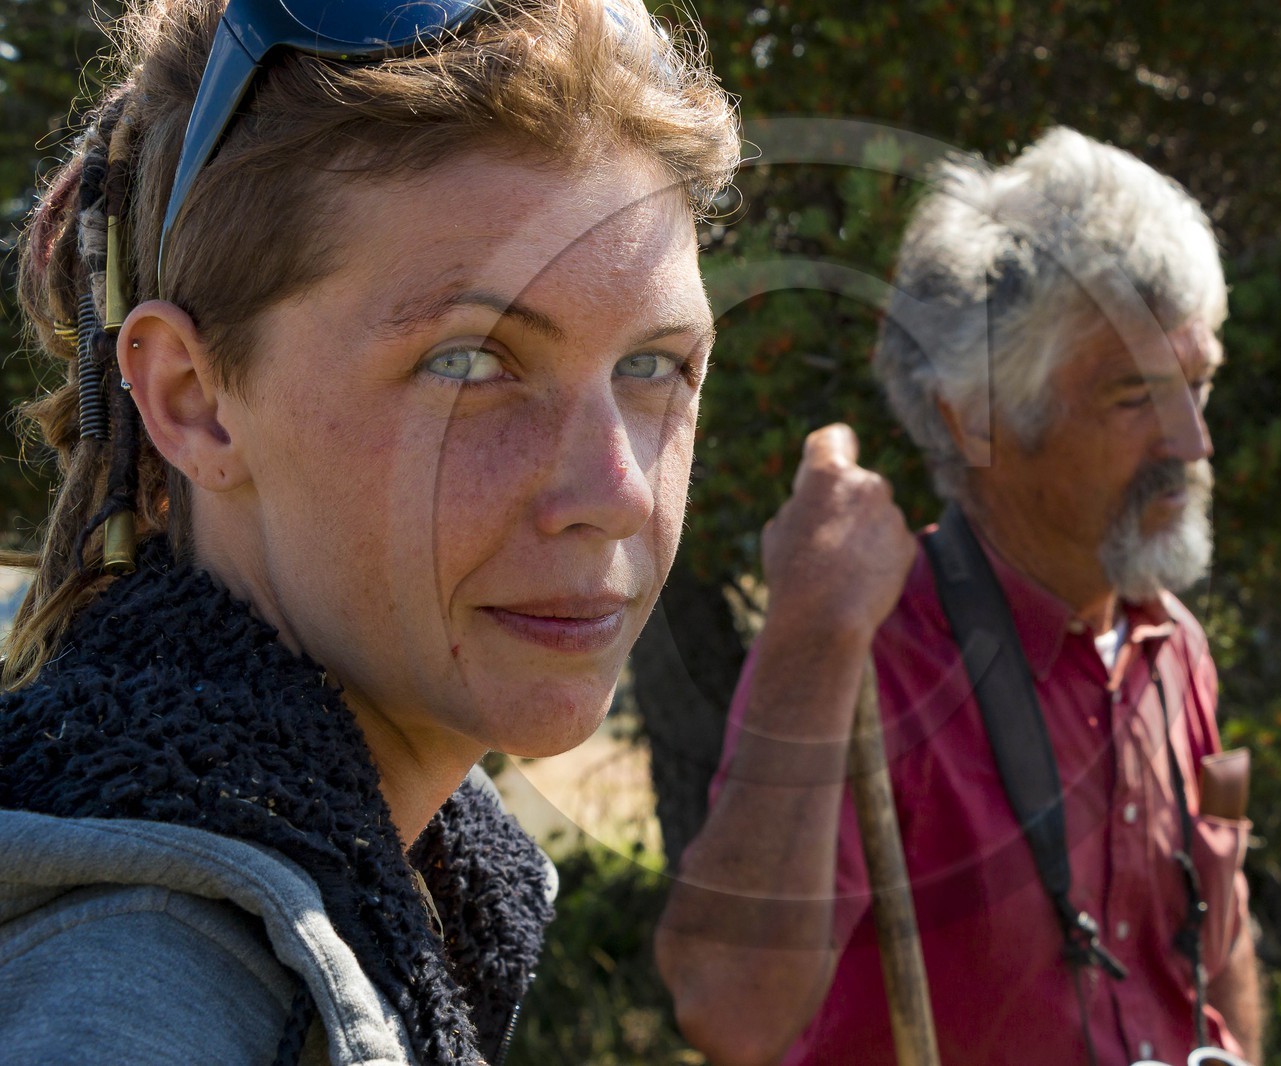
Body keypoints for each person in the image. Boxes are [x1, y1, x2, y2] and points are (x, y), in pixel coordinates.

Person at [0, 0, 738, 1062]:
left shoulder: (384, 896)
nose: (614, 490)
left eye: (653, 365)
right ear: (194, 399)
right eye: (470, 361)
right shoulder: (133, 1008)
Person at [657, 127, 1262, 1066]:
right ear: (971, 416)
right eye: (1134, 396)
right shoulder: (874, 660)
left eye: (1201, 383)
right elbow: (728, 1010)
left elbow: (1220, 957)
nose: (1194, 443)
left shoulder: (1173, 646)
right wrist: (813, 630)